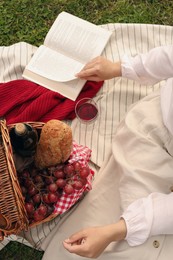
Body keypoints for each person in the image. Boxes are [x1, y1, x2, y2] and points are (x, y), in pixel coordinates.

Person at [20, 45, 173, 260]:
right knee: (105, 219)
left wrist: (116, 231)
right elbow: (168, 57)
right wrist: (118, 68)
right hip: (152, 134)